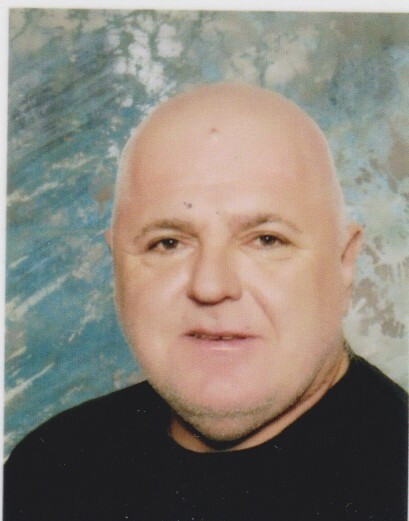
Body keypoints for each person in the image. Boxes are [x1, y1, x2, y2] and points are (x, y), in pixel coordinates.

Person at [4, 83, 407, 521]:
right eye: (168, 243)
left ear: (344, 263)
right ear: (116, 265)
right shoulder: (47, 470)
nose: (211, 286)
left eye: (266, 240)